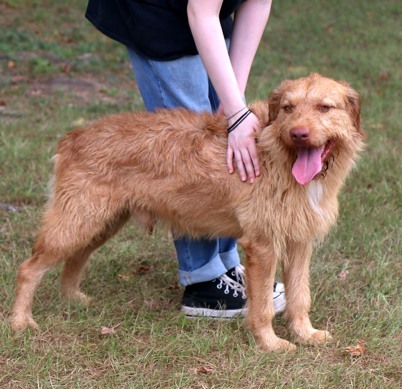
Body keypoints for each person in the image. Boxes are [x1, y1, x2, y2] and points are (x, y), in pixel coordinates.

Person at [85, 0, 285, 318]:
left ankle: (226, 263)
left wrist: (234, 100)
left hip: (207, 13)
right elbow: (200, 12)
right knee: (189, 148)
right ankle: (202, 280)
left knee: (221, 136)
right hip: (157, 13)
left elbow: (257, 2)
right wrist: (235, 112)